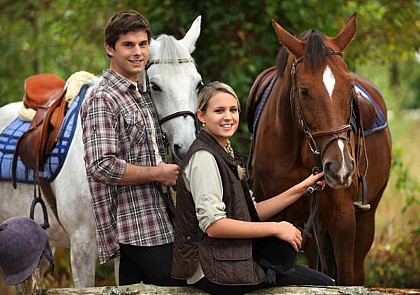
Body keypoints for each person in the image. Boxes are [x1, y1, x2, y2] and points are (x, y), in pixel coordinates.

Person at [172, 81, 335, 295]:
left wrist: (304, 186)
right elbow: (214, 225)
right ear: (201, 116)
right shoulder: (204, 158)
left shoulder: (223, 152)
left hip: (228, 259)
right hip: (212, 269)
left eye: (233, 110)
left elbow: (251, 211)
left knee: (319, 281)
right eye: (219, 111)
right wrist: (276, 228)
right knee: (324, 287)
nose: (228, 117)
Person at [81, 10, 184, 286]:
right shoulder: (102, 98)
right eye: (128, 45)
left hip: (159, 218)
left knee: (135, 290)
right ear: (109, 48)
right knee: (185, 283)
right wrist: (157, 174)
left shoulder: (141, 94)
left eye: (143, 44)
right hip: (135, 226)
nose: (138, 52)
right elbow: (101, 165)